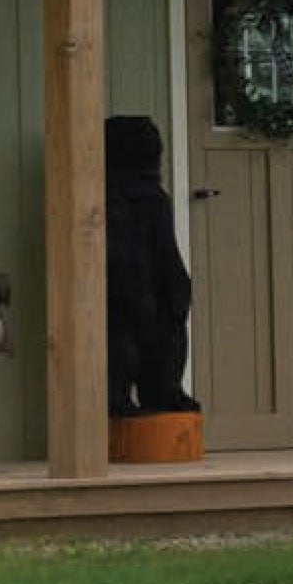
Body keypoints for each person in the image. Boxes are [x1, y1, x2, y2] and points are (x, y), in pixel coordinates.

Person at [105, 113, 197, 417]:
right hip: (120, 300)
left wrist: (178, 288)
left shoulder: (155, 197)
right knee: (119, 336)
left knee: (171, 329)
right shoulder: (104, 199)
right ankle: (116, 399)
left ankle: (167, 391)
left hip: (153, 300)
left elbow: (166, 252)